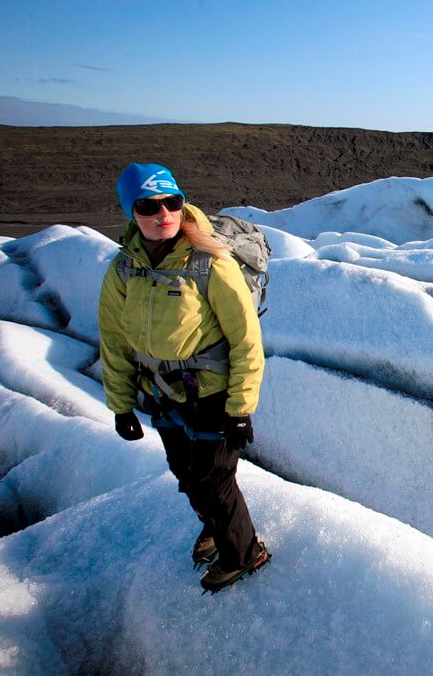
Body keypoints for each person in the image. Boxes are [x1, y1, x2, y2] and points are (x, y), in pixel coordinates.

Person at [97, 162, 270, 593]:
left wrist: (241, 409)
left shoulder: (210, 262)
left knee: (214, 480)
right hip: (163, 393)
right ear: (130, 212)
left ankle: (245, 554)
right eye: (148, 206)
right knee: (185, 473)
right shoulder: (123, 271)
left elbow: (247, 341)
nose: (163, 214)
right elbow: (114, 340)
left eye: (172, 202)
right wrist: (120, 405)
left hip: (213, 393)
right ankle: (213, 527)